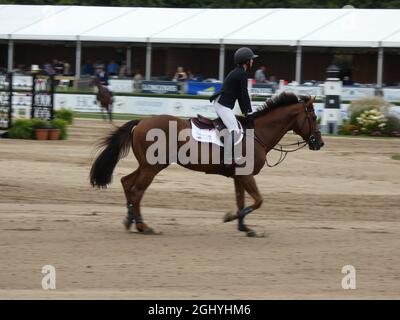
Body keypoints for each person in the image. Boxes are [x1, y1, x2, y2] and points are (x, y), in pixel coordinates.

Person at [209, 47, 257, 175]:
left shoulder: (238, 72)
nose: (253, 61)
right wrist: (250, 114)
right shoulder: (241, 74)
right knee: (234, 130)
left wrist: (248, 113)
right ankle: (228, 160)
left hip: (222, 103)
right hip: (222, 105)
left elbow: (242, 98)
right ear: (247, 61)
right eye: (251, 59)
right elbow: (244, 96)